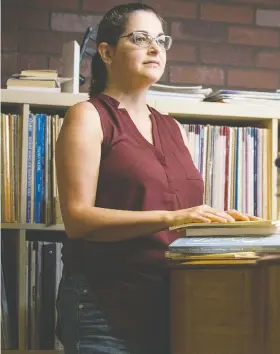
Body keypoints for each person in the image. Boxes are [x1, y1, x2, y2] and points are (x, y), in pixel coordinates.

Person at [54, 3, 261, 354]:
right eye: (140, 38)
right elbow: (78, 219)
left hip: (171, 303)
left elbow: (181, 213)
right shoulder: (88, 116)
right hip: (104, 306)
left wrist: (229, 226)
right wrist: (172, 218)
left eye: (161, 41)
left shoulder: (173, 127)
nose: (155, 49)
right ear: (106, 52)